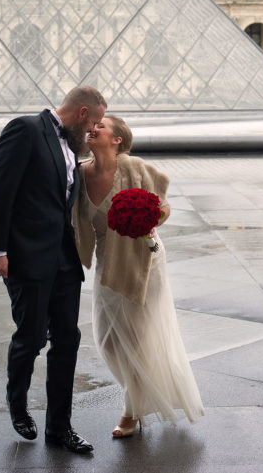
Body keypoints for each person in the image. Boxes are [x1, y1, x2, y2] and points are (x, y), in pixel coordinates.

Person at [0, 86, 107, 454]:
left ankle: (60, 427)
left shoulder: (71, 145)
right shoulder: (25, 129)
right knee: (32, 336)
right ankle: (17, 403)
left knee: (67, 339)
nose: (93, 131)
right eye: (94, 123)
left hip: (64, 258)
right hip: (26, 257)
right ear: (82, 112)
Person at [74, 115, 204, 437]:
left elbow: (164, 207)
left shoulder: (137, 169)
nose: (93, 128)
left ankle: (131, 412)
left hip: (145, 258)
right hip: (108, 259)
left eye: (101, 126)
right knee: (108, 340)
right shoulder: (79, 173)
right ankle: (147, 393)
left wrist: (152, 214)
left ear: (117, 139)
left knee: (138, 338)